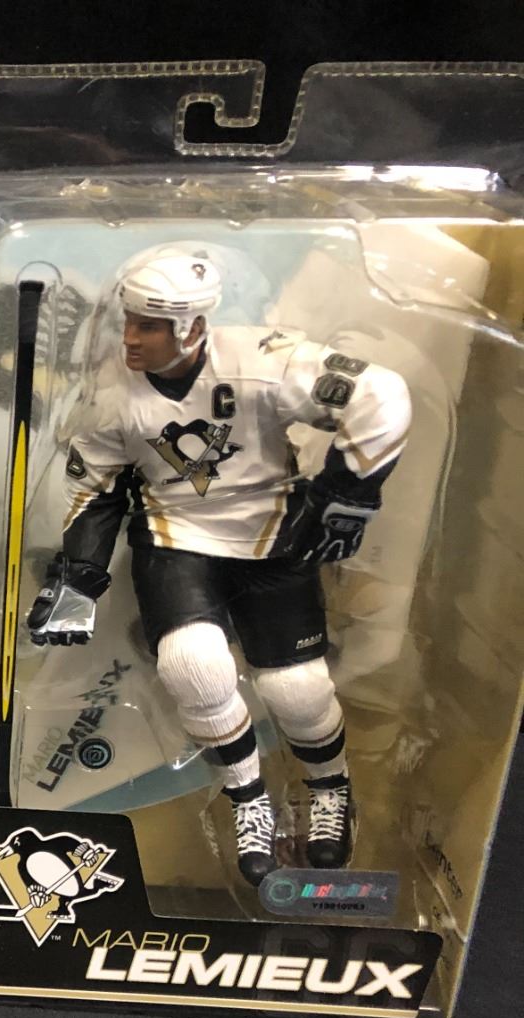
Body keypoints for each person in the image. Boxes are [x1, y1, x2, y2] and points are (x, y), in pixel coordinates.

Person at [27, 250, 411, 882]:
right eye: (129, 320)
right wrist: (79, 581)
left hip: (272, 536)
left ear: (193, 327)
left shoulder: (263, 360)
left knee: (297, 690)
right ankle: (247, 799)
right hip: (177, 538)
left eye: (149, 325)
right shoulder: (109, 395)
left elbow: (382, 394)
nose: (130, 336)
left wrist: (343, 497)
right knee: (191, 667)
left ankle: (330, 788)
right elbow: (95, 491)